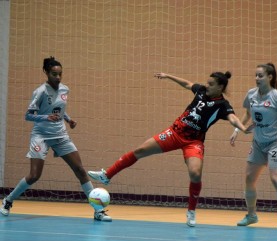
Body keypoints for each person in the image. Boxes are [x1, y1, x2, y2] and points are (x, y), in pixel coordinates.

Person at [88, 71, 251, 227]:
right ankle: (107, 175)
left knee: (195, 173)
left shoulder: (222, 105)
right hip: (174, 132)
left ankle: (191, 211)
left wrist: (242, 128)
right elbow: (187, 84)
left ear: (220, 87)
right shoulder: (200, 90)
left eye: (211, 84)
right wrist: (168, 76)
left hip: (193, 141)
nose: (206, 85)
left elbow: (233, 118)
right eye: (207, 83)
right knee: (140, 150)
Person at [0, 56, 111, 222]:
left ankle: (98, 212)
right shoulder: (40, 92)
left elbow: (59, 109)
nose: (58, 77)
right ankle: (8, 200)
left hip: (60, 135)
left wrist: (68, 119)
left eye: (60, 74)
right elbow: (28, 115)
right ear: (46, 73)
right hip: (41, 136)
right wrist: (45, 118)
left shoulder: (65, 89)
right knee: (34, 176)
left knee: (80, 170)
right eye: (54, 74)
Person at [230, 63, 277, 229]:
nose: (257, 78)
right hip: (258, 143)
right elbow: (247, 113)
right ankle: (251, 215)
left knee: (275, 178)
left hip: (276, 143)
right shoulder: (251, 94)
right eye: (256, 75)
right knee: (249, 178)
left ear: (270, 77)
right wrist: (237, 129)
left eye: (260, 75)